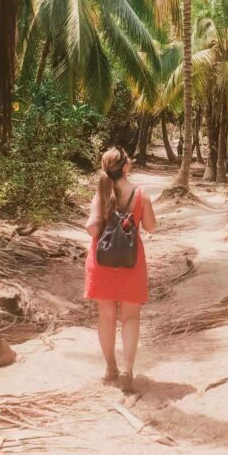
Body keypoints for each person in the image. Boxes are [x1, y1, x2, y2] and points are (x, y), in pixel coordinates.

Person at [84, 146, 156, 392]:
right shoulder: (140, 193)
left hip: (102, 263)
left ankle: (110, 369)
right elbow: (151, 227)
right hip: (130, 262)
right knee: (130, 317)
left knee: (105, 316)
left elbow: (92, 229)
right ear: (125, 166)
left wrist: (107, 227)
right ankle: (127, 371)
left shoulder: (101, 194)